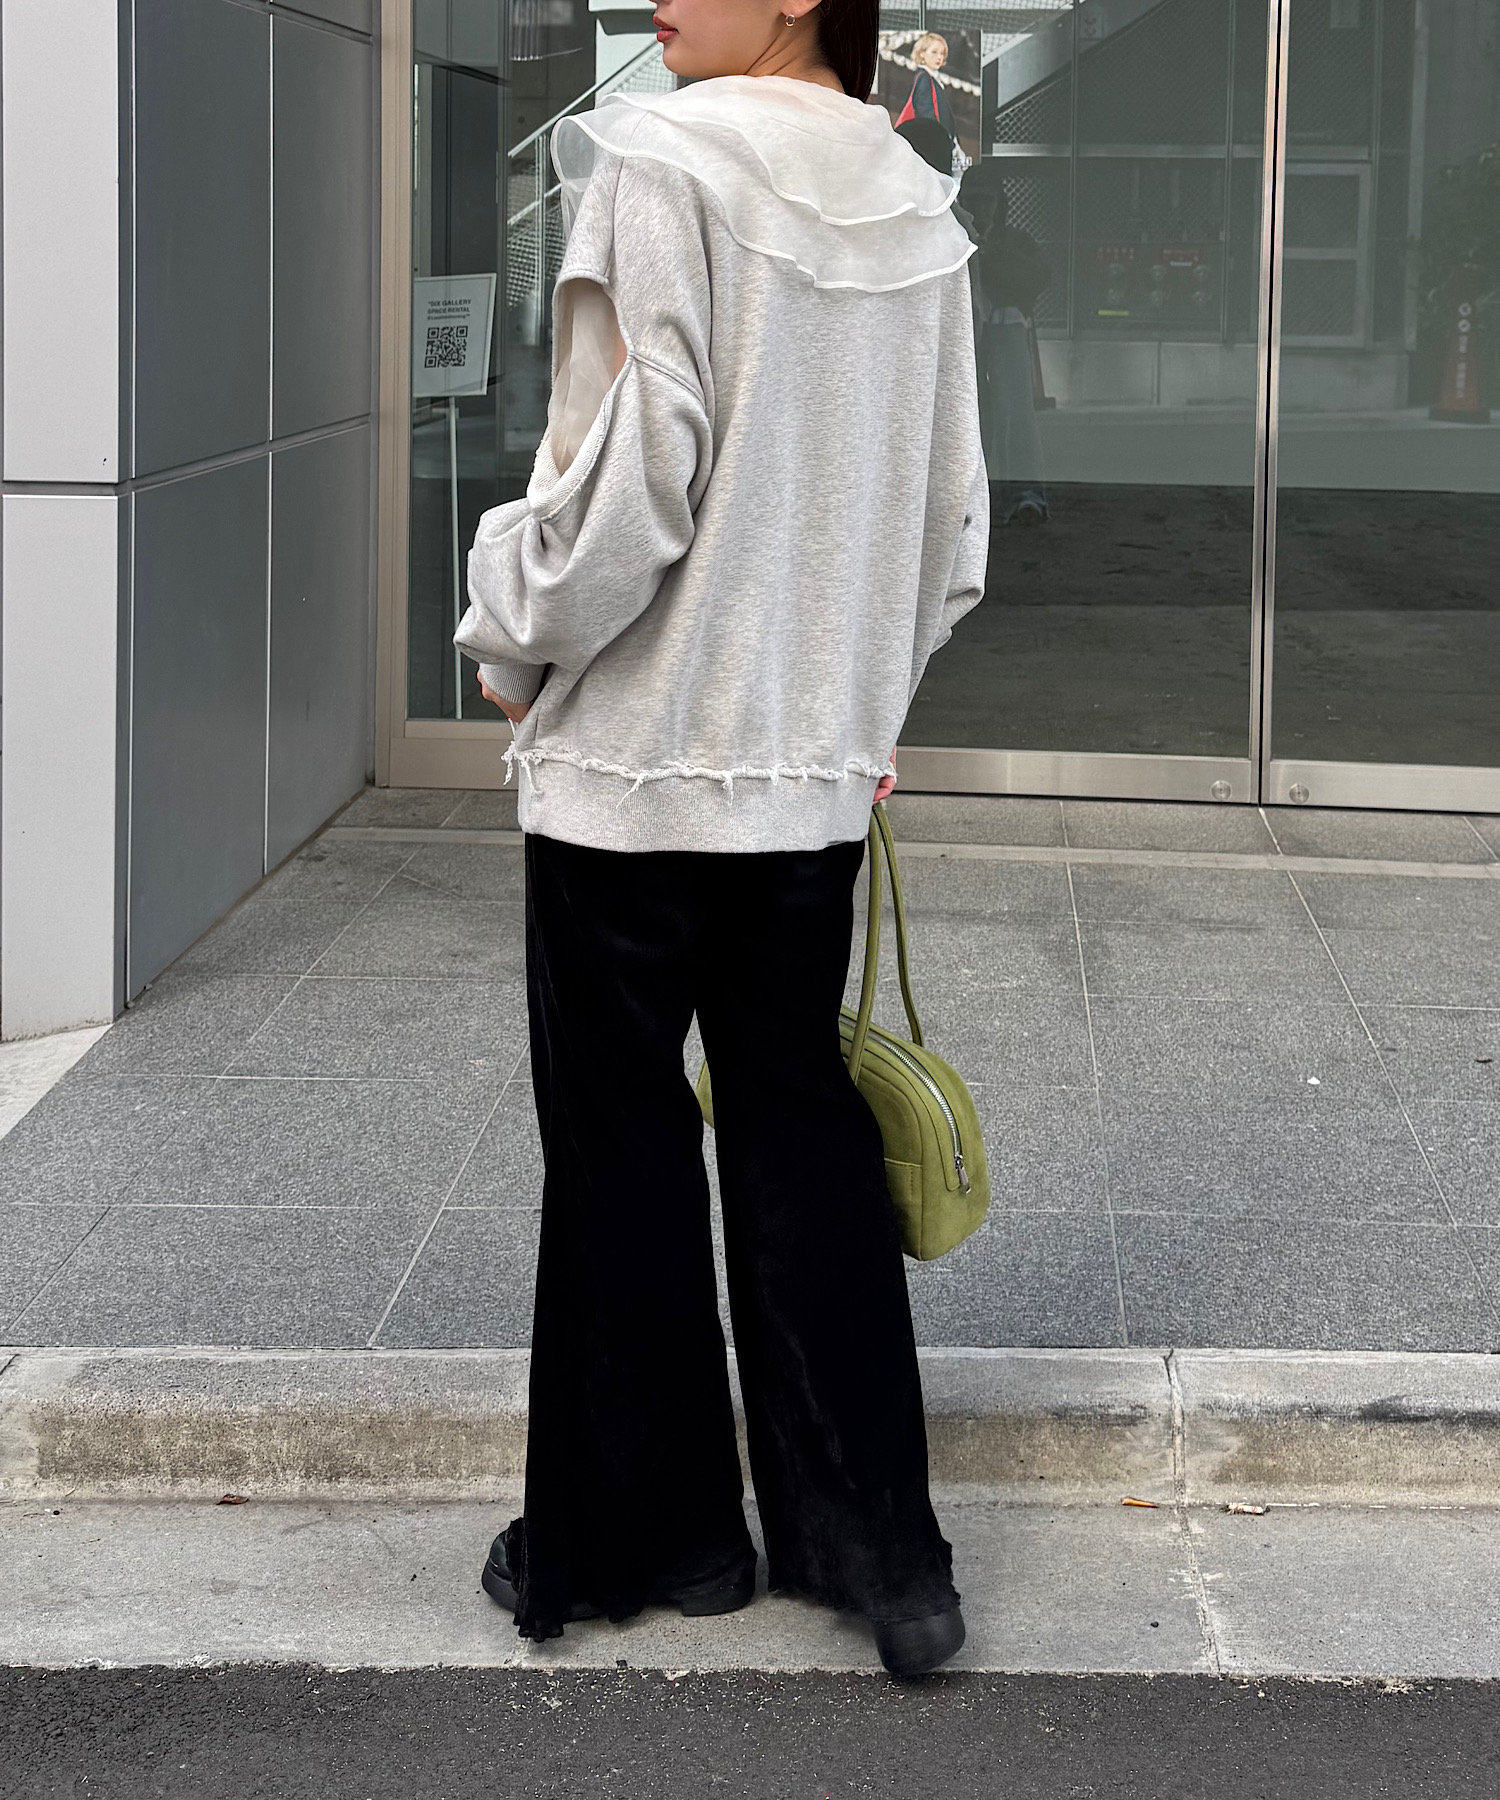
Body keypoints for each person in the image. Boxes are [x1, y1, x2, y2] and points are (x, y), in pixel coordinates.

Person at [452, 0, 989, 1680]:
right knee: (797, 1129)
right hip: (805, 781)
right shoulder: (913, 203)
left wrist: (506, 627)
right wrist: (858, 709)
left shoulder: (661, 162)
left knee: (618, 1149)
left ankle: (658, 1538)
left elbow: (627, 478)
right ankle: (879, 1552)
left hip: (633, 768)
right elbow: (950, 522)